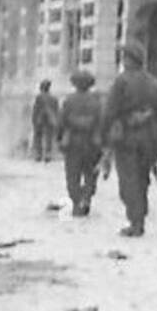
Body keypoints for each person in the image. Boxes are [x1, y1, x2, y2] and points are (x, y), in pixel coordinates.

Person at [101, 41, 157, 237]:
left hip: (128, 137)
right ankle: (140, 216)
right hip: (149, 138)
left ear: (129, 60)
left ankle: (136, 220)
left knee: (128, 180)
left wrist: (104, 137)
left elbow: (109, 112)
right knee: (142, 178)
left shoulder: (121, 81)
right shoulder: (154, 83)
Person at [57, 68, 105, 216]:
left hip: (73, 142)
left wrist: (59, 138)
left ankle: (77, 203)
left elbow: (62, 122)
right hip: (92, 143)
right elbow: (101, 123)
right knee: (90, 174)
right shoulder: (97, 102)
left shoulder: (68, 101)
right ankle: (87, 198)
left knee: (73, 175)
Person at [31, 80, 59, 162]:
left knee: (38, 137)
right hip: (50, 120)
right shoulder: (54, 98)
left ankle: (38, 154)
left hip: (40, 119)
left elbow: (36, 109)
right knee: (49, 138)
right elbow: (56, 110)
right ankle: (48, 154)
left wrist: (34, 119)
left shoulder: (39, 97)